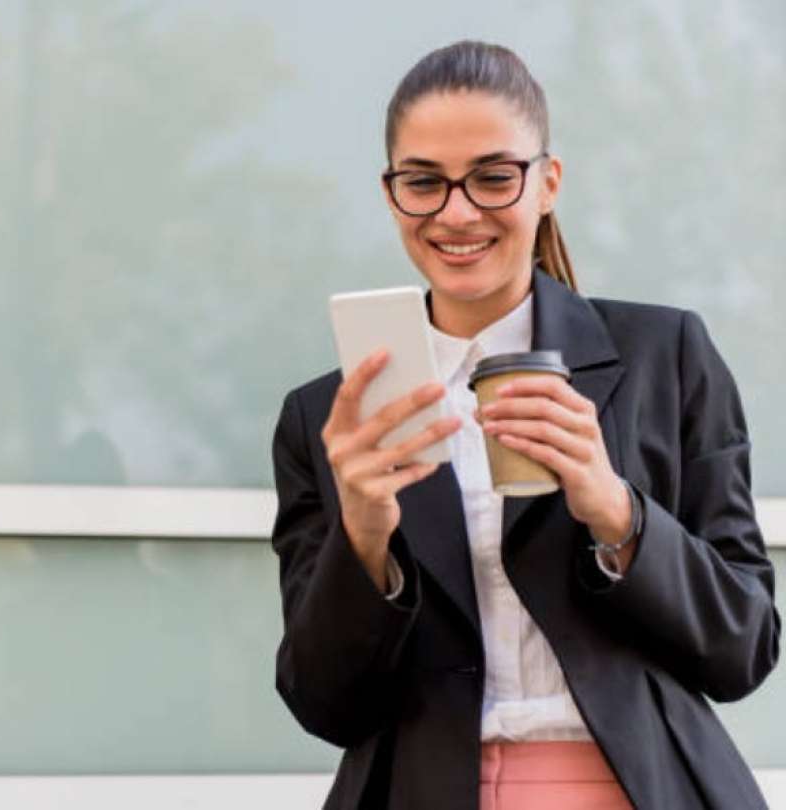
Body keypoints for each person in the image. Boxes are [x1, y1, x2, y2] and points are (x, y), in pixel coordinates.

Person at [270, 40, 779, 810]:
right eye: (424, 183)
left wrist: (617, 513)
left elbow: (745, 647)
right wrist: (364, 537)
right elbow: (323, 702)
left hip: (636, 789)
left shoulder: (664, 356)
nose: (457, 211)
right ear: (390, 193)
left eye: (492, 176)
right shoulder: (328, 418)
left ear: (548, 183)